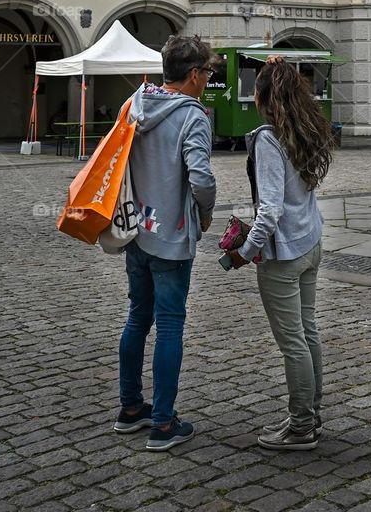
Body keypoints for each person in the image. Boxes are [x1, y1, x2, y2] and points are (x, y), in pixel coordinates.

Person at [115, 34, 217, 451]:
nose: (209, 79)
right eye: (208, 72)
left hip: (136, 228)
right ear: (193, 74)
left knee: (138, 316)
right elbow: (202, 178)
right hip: (171, 235)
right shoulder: (192, 115)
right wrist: (205, 212)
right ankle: (162, 423)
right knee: (170, 324)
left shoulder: (133, 104)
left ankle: (130, 408)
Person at [226, 58, 332, 451]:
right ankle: (311, 414)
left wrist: (246, 251)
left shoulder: (269, 139)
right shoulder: (304, 129)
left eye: (255, 88)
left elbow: (270, 209)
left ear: (264, 97)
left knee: (293, 343)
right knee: (307, 334)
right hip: (310, 241)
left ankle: (302, 426)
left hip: (283, 255)